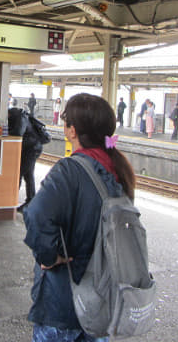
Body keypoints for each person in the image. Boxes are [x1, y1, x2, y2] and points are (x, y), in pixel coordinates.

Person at [23, 93, 136, 342]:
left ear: (72, 130)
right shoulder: (119, 170)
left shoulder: (69, 170)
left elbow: (35, 215)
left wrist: (50, 257)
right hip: (104, 300)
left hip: (65, 299)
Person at [8, 104, 44, 213]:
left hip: (32, 149)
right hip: (29, 148)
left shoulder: (21, 118)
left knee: (20, 173)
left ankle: (13, 201)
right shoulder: (19, 117)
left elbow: (19, 132)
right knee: (28, 175)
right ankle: (30, 201)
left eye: (8, 116)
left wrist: (8, 132)